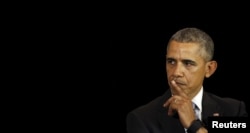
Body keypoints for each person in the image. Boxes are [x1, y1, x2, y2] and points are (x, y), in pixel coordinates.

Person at [126, 27, 248, 133]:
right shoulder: (142, 118)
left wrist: (193, 125)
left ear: (209, 69)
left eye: (188, 63)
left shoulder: (233, 110)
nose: (176, 72)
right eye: (171, 62)